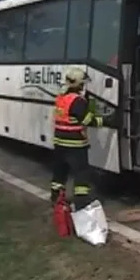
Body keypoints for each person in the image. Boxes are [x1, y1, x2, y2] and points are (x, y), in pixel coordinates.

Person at [50, 67, 116, 210]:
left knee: (59, 174)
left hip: (59, 143)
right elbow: (87, 121)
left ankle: (56, 199)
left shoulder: (61, 98)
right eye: (83, 83)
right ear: (79, 84)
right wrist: (107, 121)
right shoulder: (78, 101)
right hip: (75, 145)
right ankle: (81, 203)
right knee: (81, 175)